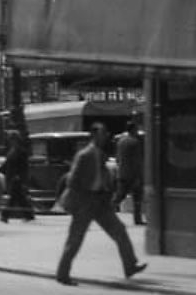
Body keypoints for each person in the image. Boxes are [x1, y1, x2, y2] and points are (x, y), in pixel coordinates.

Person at [56, 122, 147, 286]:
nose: (105, 137)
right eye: (102, 133)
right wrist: (82, 197)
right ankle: (63, 273)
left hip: (100, 202)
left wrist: (107, 192)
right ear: (94, 135)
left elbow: (102, 177)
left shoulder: (100, 154)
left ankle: (130, 265)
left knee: (119, 230)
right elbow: (72, 180)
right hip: (85, 202)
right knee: (75, 239)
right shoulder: (85, 155)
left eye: (105, 134)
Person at [112, 121, 145, 225]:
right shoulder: (134, 142)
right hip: (132, 174)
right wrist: (138, 175)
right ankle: (137, 219)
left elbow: (117, 158)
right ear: (133, 129)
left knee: (119, 196)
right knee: (137, 197)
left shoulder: (121, 141)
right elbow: (136, 161)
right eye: (136, 129)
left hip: (122, 173)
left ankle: (106, 212)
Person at [0, 130, 35, 223]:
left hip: (17, 178)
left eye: (11, 139)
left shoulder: (21, 151)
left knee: (14, 197)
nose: (10, 141)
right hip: (11, 177)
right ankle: (29, 215)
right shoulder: (12, 150)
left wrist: (21, 177)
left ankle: (5, 215)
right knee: (19, 197)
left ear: (16, 139)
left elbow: (24, 166)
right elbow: (7, 164)